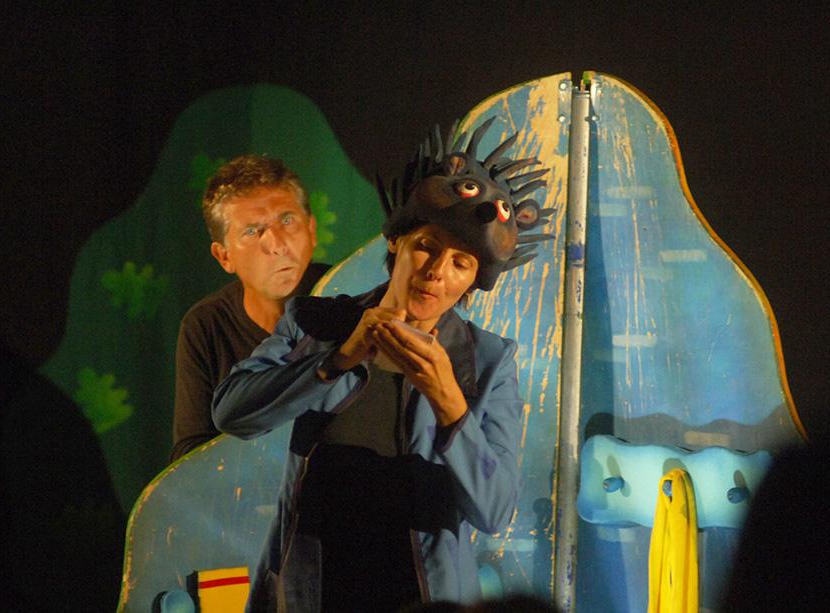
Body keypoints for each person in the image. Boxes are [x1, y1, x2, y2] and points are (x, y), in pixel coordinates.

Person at [212, 117, 553, 612]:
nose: (436, 273)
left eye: (460, 264)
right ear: (397, 242)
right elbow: (231, 413)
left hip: (424, 599)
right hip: (316, 592)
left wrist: (450, 402)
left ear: (473, 280)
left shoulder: (488, 361)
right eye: (427, 248)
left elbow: (495, 510)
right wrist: (337, 360)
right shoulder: (316, 322)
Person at [171, 155, 330, 462]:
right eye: (253, 231)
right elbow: (190, 455)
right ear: (224, 257)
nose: (277, 244)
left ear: (311, 230)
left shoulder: (351, 294)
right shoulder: (205, 325)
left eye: (287, 220)